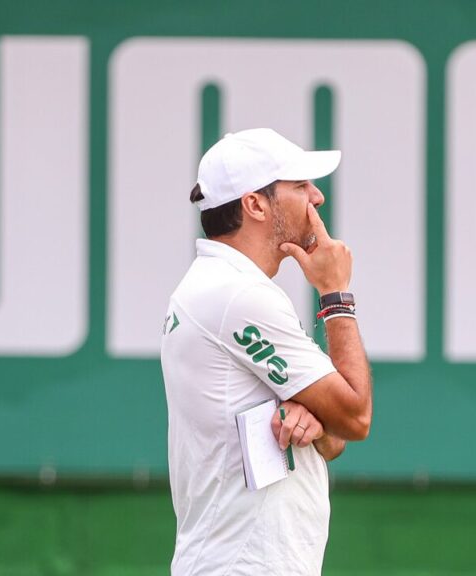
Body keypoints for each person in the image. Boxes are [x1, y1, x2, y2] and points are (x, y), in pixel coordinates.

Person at [159, 128, 374, 575]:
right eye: (300, 186)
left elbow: (334, 439)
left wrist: (313, 422)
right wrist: (335, 295)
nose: (317, 197)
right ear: (255, 204)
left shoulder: (224, 289)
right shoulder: (236, 296)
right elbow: (355, 416)